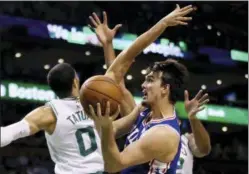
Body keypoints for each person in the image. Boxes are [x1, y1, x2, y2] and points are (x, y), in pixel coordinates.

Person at [87, 5, 209, 174]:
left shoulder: (165, 134)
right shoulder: (144, 110)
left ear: (165, 88)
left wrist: (105, 127)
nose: (143, 85)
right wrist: (163, 23)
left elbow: (114, 165)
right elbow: (122, 66)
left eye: (150, 80)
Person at [176, 93, 211, 174]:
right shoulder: (148, 138)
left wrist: (193, 117)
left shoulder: (187, 139)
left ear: (179, 122)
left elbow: (204, 150)